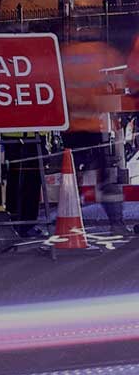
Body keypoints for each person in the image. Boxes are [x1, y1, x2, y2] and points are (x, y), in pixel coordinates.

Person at [61, 29, 126, 232]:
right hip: (93, 128)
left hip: (70, 128)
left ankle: (69, 221)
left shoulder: (66, 54)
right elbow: (111, 87)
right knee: (106, 177)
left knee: (71, 178)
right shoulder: (100, 52)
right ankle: (116, 223)